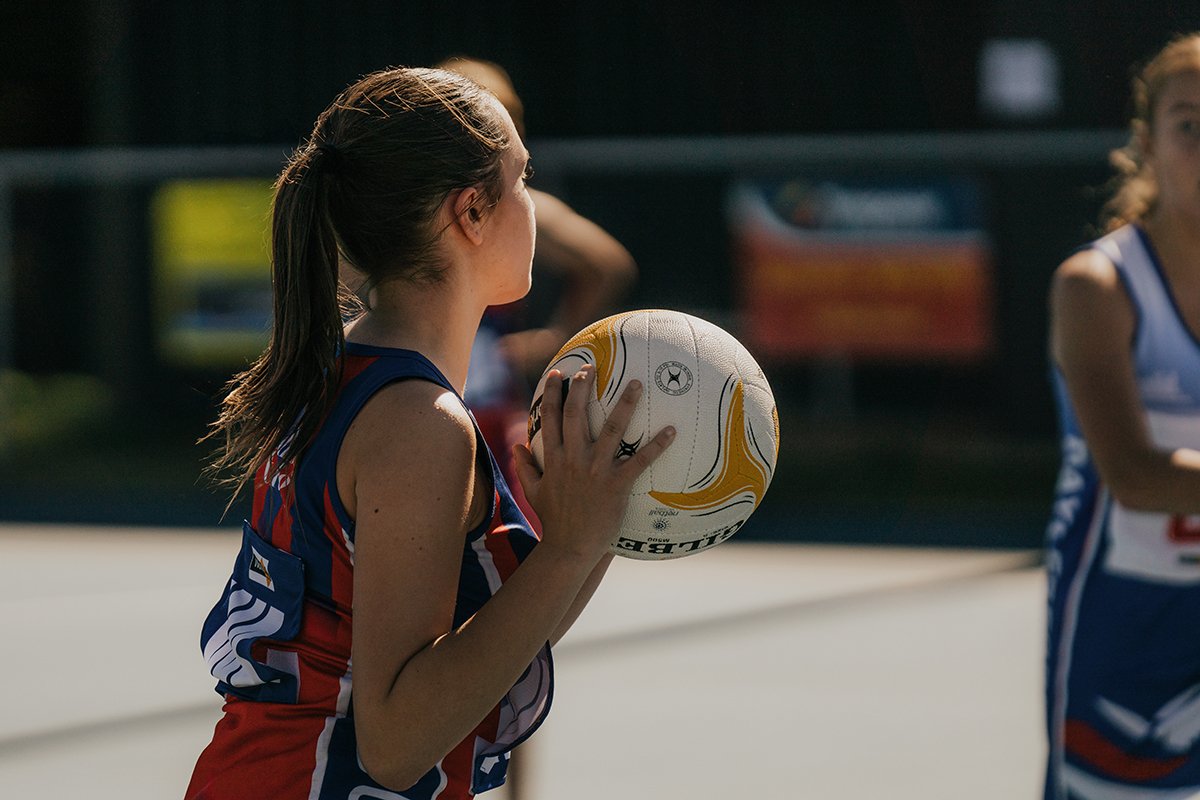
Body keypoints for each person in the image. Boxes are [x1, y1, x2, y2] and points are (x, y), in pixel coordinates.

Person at [184, 66, 674, 800]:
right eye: (522, 178)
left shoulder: (347, 372)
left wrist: (594, 532)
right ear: (471, 212)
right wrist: (568, 545)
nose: (535, 206)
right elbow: (394, 743)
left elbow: (487, 651)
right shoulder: (418, 425)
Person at [1044, 32, 1200, 800]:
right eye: (1190, 125)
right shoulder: (1097, 286)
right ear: (1147, 144)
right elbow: (1135, 478)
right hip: (1127, 623)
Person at [434, 56, 638, 531]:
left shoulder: (518, 209)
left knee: (509, 555)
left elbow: (606, 264)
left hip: (480, 413)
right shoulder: (407, 212)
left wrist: (557, 339)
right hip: (429, 404)